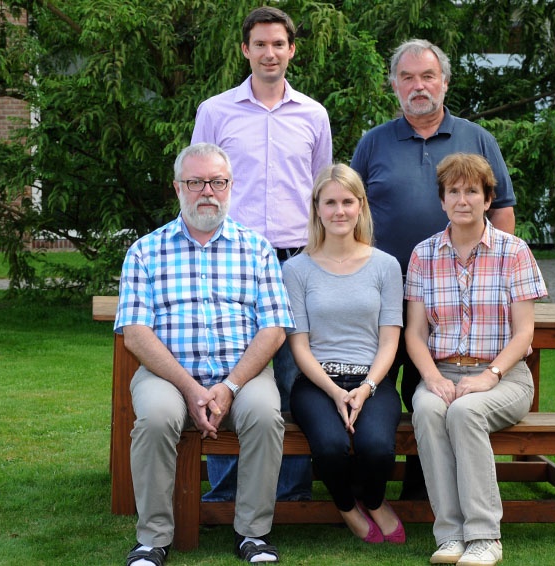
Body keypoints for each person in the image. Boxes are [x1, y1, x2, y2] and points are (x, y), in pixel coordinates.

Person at [350, 38, 517, 500]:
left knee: (432, 387)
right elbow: (350, 211)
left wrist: (499, 276)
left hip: (453, 294)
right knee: (381, 386)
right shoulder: (373, 142)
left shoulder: (477, 139)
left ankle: (423, 490)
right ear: (394, 85)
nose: (418, 86)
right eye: (407, 77)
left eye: (427, 76)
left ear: (444, 82)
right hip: (383, 294)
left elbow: (502, 209)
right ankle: (367, 485)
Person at [116, 143, 293, 565]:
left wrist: (229, 386)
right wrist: (191, 388)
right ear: (178, 188)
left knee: (265, 415)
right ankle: (153, 539)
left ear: (231, 186)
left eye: (217, 182)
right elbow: (136, 334)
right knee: (156, 417)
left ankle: (253, 534)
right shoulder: (145, 250)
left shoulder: (257, 249)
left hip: (243, 374)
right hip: (167, 376)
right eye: (195, 182)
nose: (207, 191)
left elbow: (274, 329)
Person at [191, 5, 332, 502]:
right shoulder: (215, 112)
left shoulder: (313, 115)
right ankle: (227, 489)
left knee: (294, 372)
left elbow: (322, 191)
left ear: (291, 50)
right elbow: (199, 181)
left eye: (278, 44)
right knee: (228, 368)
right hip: (232, 259)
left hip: (296, 258)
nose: (269, 53)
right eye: (260, 44)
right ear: (245, 50)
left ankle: (290, 491)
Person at [404, 153, 547, 566]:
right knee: (428, 410)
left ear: (488, 199)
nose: (462, 199)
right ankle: (450, 535)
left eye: (471, 191)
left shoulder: (514, 251)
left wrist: (490, 375)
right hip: (443, 371)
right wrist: (431, 378)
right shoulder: (423, 254)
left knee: (465, 412)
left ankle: (485, 537)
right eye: (453, 191)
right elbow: (415, 333)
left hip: (505, 377)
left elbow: (524, 333)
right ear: (442, 200)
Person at [283, 164, 405, 544]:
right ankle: (347, 507)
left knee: (377, 448)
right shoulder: (296, 269)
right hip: (316, 383)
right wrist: (335, 392)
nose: (339, 211)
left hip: (372, 380)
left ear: (361, 206)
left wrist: (365, 388)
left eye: (347, 202)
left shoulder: (385, 266)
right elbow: (299, 345)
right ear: (317, 208)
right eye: (330, 202)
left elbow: (390, 341)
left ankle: (373, 499)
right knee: (331, 447)